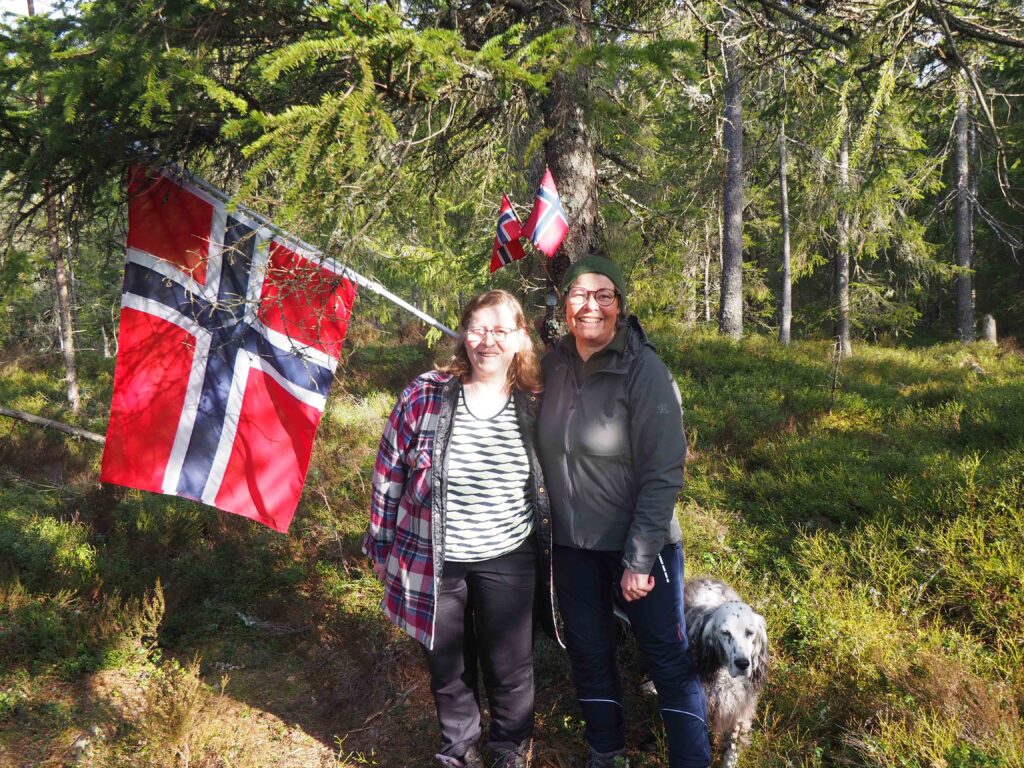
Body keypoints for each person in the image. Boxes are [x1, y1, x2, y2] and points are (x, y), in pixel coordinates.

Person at [363, 290, 554, 768]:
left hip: (509, 555)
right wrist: (381, 544)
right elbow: (389, 471)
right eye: (477, 328)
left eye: (500, 330)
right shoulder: (424, 394)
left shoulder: (537, 401)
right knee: (448, 666)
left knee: (509, 667)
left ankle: (509, 748)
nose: (487, 340)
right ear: (463, 334)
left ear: (519, 339)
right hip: (434, 557)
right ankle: (459, 748)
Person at [537, 254, 711, 768]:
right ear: (563, 305)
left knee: (668, 661)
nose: (590, 306)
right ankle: (606, 751)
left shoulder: (643, 369)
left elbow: (664, 471)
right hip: (573, 546)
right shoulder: (552, 366)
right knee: (589, 654)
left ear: (619, 305)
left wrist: (638, 558)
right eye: (578, 295)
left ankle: (691, 761)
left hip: (644, 549)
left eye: (603, 295)